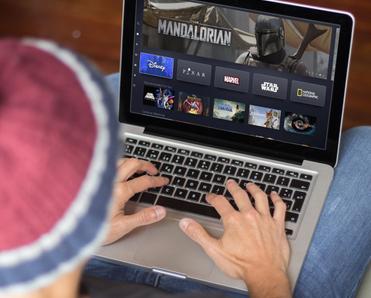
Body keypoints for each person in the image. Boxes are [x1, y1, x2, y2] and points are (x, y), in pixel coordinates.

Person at [0, 39, 369, 298]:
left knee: (118, 90)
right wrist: (266, 275)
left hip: (95, 273)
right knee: (366, 146)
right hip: (240, 286)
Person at [235, 15, 308, 76]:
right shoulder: (245, 59)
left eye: (268, 36)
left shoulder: (296, 68)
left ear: (281, 34)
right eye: (259, 34)